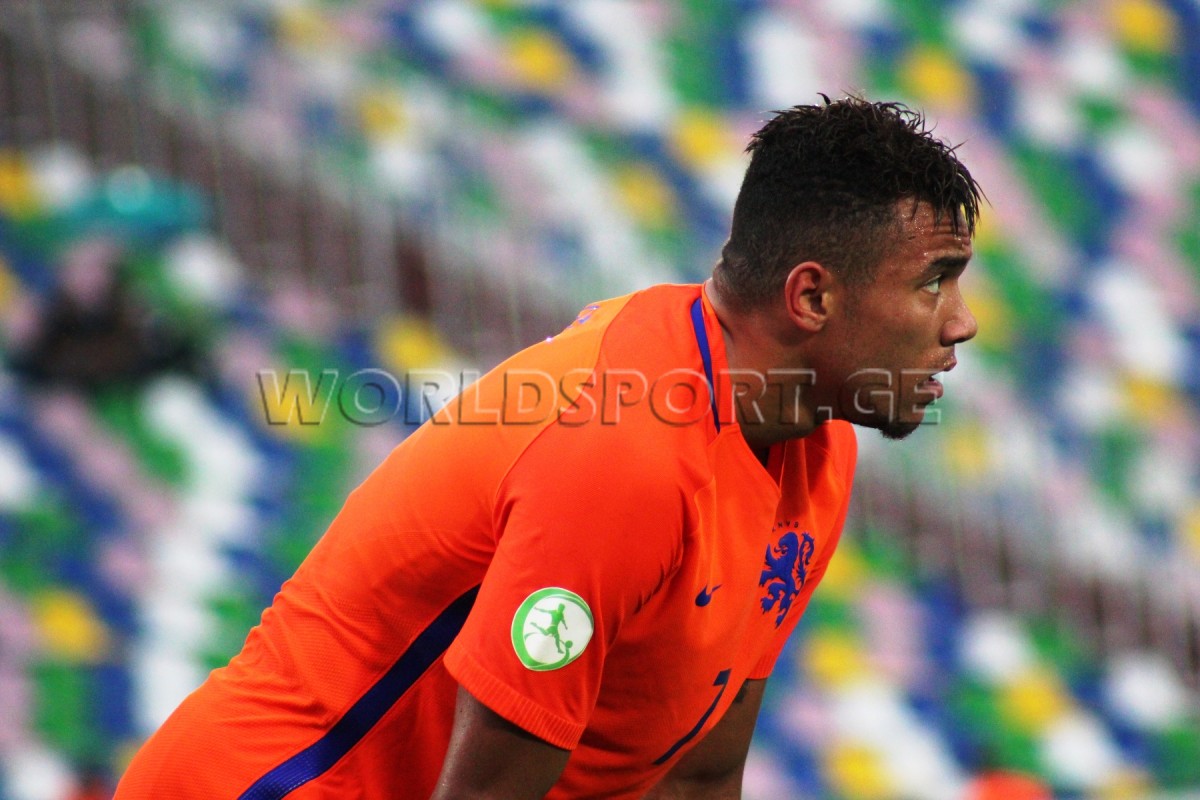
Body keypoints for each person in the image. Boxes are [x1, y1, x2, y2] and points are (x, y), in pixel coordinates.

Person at [115, 95, 981, 799]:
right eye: (933, 282)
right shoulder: (626, 453)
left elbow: (696, 775)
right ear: (811, 297)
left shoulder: (815, 446)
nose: (962, 322)